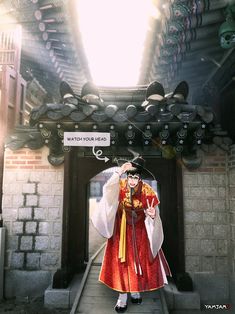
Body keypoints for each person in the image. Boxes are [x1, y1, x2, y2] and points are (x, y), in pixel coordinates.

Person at [91, 156, 171, 313]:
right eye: (130, 176)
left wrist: (153, 214)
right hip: (121, 232)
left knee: (139, 262)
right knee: (122, 263)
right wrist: (119, 172)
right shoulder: (119, 186)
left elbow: (155, 211)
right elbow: (108, 192)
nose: (132, 180)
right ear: (127, 176)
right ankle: (122, 297)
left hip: (141, 232)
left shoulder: (148, 191)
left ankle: (135, 291)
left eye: (135, 177)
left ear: (140, 177)